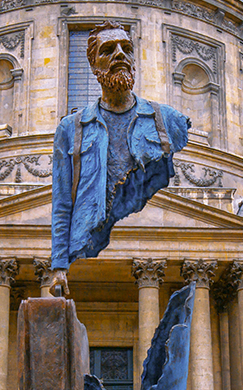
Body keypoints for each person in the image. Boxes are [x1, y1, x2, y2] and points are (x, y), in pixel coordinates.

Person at [47, 21, 191, 295]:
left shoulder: (168, 120)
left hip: (148, 231)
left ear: (135, 59)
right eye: (108, 50)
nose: (120, 55)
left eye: (126, 48)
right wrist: (59, 264)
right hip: (87, 237)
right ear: (92, 65)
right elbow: (63, 201)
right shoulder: (71, 128)